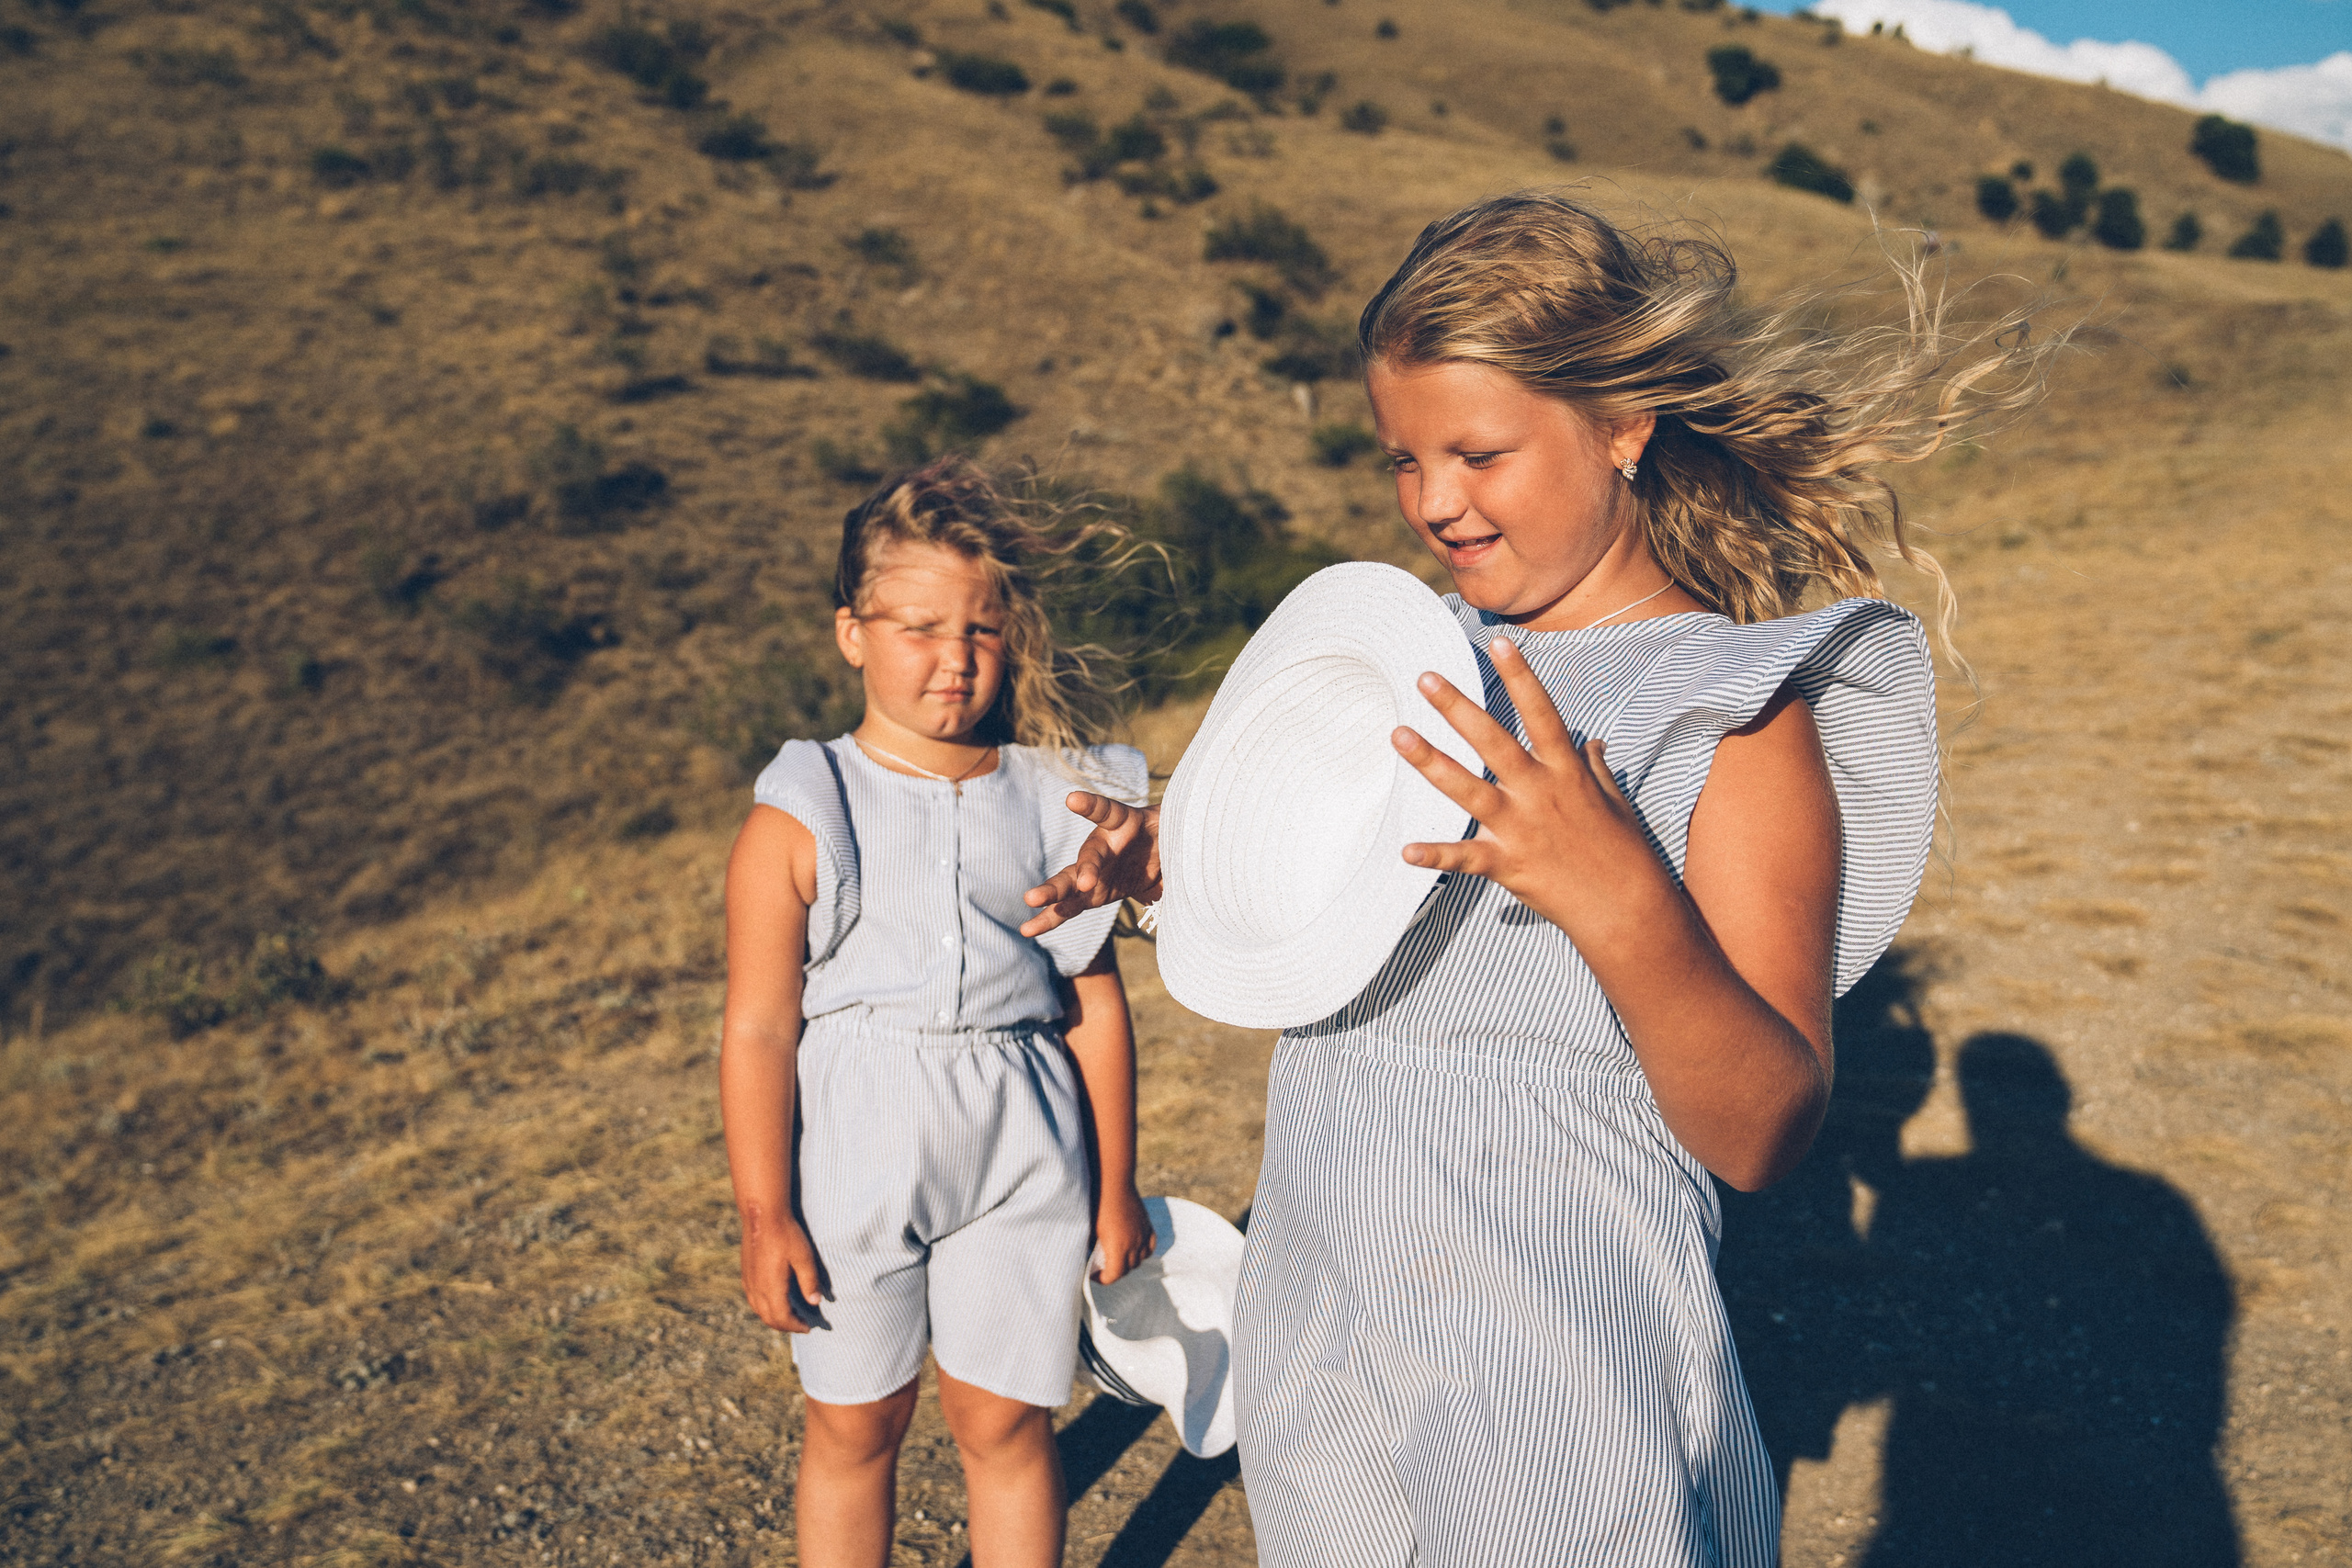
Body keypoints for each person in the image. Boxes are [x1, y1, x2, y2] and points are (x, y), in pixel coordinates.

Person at [1021, 191, 2061, 1566]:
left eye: (1480, 451)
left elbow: (1766, 1125)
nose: (1434, 501)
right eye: (1403, 458)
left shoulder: (1730, 710)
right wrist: (1187, 863)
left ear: (1622, 425)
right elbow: (1354, 946)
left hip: (1562, 1374)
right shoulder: (1407, 660)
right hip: (1325, 1330)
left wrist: (1618, 896)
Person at [720, 457, 1157, 1568]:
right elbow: (761, 1028)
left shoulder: (1053, 795)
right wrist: (765, 1212)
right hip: (857, 1147)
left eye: (982, 630)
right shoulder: (804, 811)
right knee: (857, 1424)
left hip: (1026, 1143)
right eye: (917, 626)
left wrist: (1114, 1189)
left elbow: (1093, 1008)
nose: (953, 661)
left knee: (1005, 1422)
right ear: (851, 633)